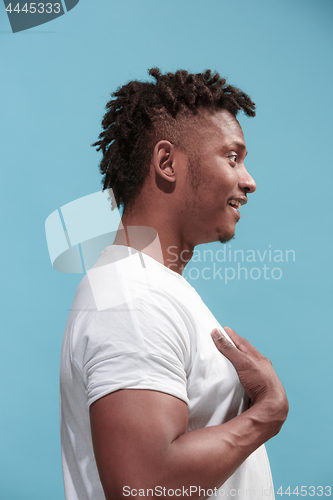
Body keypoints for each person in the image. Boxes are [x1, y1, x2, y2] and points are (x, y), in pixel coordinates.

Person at [60, 68, 288, 500]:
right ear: (167, 163)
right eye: (232, 157)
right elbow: (142, 484)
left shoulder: (150, 288)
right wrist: (267, 415)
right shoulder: (131, 297)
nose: (249, 181)